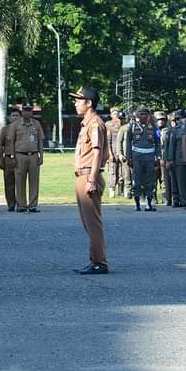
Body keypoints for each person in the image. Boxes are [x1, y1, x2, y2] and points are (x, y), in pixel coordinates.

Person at [71, 86, 108, 275]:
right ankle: (95, 260)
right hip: (83, 175)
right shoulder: (86, 123)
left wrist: (92, 179)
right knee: (88, 223)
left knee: (93, 223)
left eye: (79, 100)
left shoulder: (95, 123)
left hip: (88, 176)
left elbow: (97, 151)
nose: (75, 103)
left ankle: (99, 262)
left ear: (89, 103)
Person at [125, 106, 160, 211]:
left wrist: (158, 156)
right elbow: (128, 142)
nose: (143, 116)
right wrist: (128, 156)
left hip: (150, 156)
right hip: (137, 156)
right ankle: (137, 203)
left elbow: (158, 142)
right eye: (141, 113)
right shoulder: (131, 126)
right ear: (137, 115)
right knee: (137, 179)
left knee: (150, 180)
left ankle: (149, 203)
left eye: (145, 114)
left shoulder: (154, 126)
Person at [12, 102, 44, 213]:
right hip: (20, 155)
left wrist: (41, 156)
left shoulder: (36, 124)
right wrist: (12, 156)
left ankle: (32, 205)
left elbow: (40, 141)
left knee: (34, 181)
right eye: (25, 110)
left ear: (32, 111)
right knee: (20, 181)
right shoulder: (16, 125)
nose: (27, 112)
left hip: (33, 155)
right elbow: (11, 141)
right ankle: (21, 205)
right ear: (22, 111)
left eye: (29, 110)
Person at [0, 107, 20, 211]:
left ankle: (21, 203)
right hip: (8, 158)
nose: (15, 118)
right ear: (9, 118)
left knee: (20, 182)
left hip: (20, 158)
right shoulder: (5, 129)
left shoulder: (24, 129)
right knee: (9, 182)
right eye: (13, 116)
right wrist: (1, 160)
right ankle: (10, 204)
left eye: (17, 116)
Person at [158, 111, 175, 207]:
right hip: (157, 157)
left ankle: (169, 198)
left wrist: (166, 159)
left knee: (167, 179)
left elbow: (168, 147)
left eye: (162, 120)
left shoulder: (168, 131)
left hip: (166, 157)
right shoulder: (155, 130)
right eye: (159, 120)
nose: (160, 122)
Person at [106, 108, 123, 199]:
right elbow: (107, 141)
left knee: (122, 172)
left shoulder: (123, 124)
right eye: (114, 113)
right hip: (113, 150)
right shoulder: (109, 125)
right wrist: (110, 153)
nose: (116, 115)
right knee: (112, 171)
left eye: (117, 113)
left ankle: (121, 190)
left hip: (122, 152)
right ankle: (112, 189)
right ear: (111, 115)